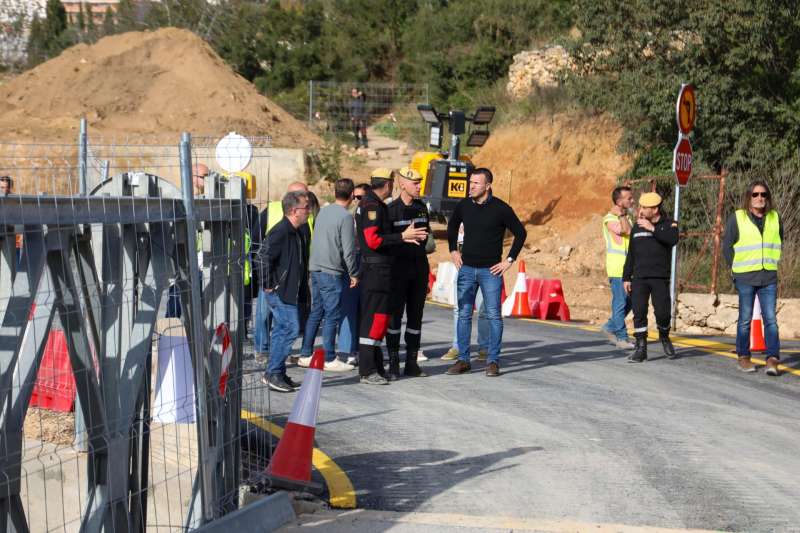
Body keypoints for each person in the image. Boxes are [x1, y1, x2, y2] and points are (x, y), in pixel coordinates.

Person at [446, 167, 527, 377]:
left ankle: (492, 361)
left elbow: (521, 233)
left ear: (487, 186)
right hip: (465, 269)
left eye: (475, 183)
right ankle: (463, 360)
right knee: (463, 314)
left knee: (493, 316)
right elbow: (452, 226)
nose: (470, 187)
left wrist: (509, 261)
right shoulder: (464, 205)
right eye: (470, 182)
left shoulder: (501, 208)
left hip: (491, 271)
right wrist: (453, 250)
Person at [356, 168, 427, 385]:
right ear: (389, 184)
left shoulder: (376, 205)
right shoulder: (372, 206)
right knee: (373, 322)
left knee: (379, 321)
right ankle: (368, 371)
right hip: (377, 272)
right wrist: (402, 236)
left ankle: (376, 367)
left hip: (384, 272)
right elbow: (373, 241)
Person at [298, 178, 359, 372]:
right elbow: (348, 250)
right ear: (351, 196)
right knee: (332, 314)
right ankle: (330, 358)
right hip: (331, 271)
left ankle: (306, 354)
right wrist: (354, 273)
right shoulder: (346, 217)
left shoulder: (323, 212)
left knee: (317, 312)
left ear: (335, 193)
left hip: (315, 268)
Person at [723, 180, 783, 375]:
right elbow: (727, 247)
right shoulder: (737, 218)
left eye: (763, 195)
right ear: (749, 197)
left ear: (768, 198)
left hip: (768, 277)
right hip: (745, 277)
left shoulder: (775, 218)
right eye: (756, 194)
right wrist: (735, 271)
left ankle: (772, 359)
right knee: (745, 320)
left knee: (771, 320)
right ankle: (743, 357)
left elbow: (779, 241)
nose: (760, 198)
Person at [258, 190, 311, 393]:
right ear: (294, 210)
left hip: (291, 291)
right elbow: (262, 258)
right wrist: (269, 284)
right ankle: (272, 373)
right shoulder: (281, 231)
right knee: (290, 328)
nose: (309, 211)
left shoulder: (298, 230)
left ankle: (277, 372)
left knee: (282, 330)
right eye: (306, 207)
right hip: (280, 291)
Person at [385, 167, 436, 379]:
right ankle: (394, 363)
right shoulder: (390, 210)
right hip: (397, 270)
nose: (419, 186)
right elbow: (384, 241)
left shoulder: (422, 207)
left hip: (418, 268)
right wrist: (404, 237)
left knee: (416, 317)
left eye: (420, 182)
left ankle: (412, 363)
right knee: (394, 318)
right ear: (402, 184)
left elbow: (428, 238)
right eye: (415, 183)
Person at [622, 192, 679, 363]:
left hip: (659, 278)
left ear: (655, 209)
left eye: (645, 207)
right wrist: (626, 277)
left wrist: (653, 229)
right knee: (639, 312)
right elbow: (631, 253)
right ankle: (641, 348)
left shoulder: (669, 224)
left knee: (662, 313)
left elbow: (672, 239)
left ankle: (664, 336)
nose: (641, 210)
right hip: (639, 277)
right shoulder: (637, 227)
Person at [442, 223, 489, 361]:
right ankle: (458, 347)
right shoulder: (461, 214)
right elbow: (451, 232)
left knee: (483, 310)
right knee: (459, 309)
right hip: (463, 269)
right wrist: (454, 252)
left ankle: (484, 348)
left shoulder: (487, 213)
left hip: (484, 268)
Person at [337, 183, 370, 364]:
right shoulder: (347, 217)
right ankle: (347, 350)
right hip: (351, 264)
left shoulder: (371, 215)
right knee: (349, 307)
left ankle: (360, 349)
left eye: (361, 197)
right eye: (355, 197)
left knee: (364, 309)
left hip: (366, 263)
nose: (357, 201)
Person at [601, 185, 636, 349]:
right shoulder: (610, 219)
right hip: (617, 268)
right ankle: (622, 338)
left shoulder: (626, 217)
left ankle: (609, 327)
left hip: (630, 267)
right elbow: (628, 231)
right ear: (619, 201)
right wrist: (622, 215)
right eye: (629, 198)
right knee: (620, 303)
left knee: (632, 302)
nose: (632, 200)